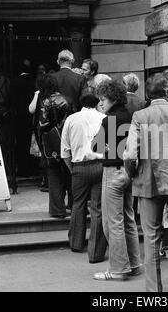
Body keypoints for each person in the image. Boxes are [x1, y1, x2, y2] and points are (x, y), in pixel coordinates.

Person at [123, 73, 168, 292]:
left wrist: (132, 174)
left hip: (147, 182)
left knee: (151, 238)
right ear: (167, 91)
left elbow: (129, 154)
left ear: (147, 93)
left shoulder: (140, 115)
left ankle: (154, 293)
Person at [91, 80, 142, 281]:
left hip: (113, 171)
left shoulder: (109, 120)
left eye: (103, 99)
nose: (101, 103)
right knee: (128, 218)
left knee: (112, 222)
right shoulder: (131, 117)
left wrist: (107, 146)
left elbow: (96, 147)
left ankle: (119, 268)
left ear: (111, 98)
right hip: (129, 171)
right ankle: (134, 263)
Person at [61, 93, 108, 263]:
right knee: (98, 207)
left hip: (79, 166)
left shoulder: (72, 119)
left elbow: (65, 150)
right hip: (100, 164)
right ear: (97, 103)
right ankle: (96, 250)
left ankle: (76, 242)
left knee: (78, 204)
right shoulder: (104, 118)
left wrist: (72, 168)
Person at [38, 74, 72, 218]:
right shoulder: (66, 100)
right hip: (66, 141)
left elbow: (43, 124)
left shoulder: (45, 102)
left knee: (54, 176)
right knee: (70, 174)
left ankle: (58, 209)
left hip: (51, 144)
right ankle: (73, 205)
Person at [11, 59, 36, 177]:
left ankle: (21, 168)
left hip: (19, 117)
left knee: (20, 143)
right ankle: (31, 168)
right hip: (31, 116)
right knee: (30, 143)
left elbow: (12, 100)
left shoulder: (15, 82)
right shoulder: (33, 81)